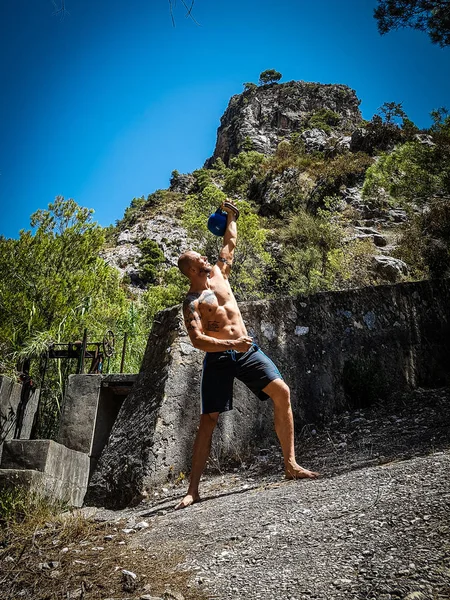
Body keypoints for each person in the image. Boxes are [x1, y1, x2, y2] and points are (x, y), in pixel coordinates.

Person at [175, 201, 319, 510]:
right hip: (220, 356)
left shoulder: (220, 274)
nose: (204, 257)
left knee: (282, 392)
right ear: (189, 270)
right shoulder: (191, 302)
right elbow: (198, 340)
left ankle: (290, 464)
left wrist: (231, 216)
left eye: (202, 256)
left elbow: (230, 242)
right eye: (197, 258)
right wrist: (230, 346)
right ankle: (193, 490)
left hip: (247, 350)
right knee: (208, 421)